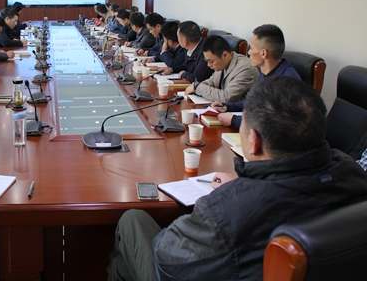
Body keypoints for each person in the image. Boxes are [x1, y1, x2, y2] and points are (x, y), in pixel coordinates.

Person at [107, 76, 367, 281]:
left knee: (133, 220)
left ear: (253, 141)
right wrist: (246, 187)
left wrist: (232, 196)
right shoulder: (352, 172)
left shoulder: (224, 208)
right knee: (121, 267)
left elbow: (166, 261)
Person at [211, 24, 300, 128]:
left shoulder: (288, 82)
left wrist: (234, 120)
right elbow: (254, 101)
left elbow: (274, 123)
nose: (249, 52)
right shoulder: (267, 72)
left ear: (263, 53)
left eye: (252, 48)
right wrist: (227, 107)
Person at [185, 35, 259, 102]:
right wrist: (197, 86)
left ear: (225, 55)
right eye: (207, 61)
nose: (208, 65)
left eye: (211, 61)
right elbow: (210, 82)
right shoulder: (222, 64)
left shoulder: (245, 68)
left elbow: (226, 97)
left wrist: (197, 87)